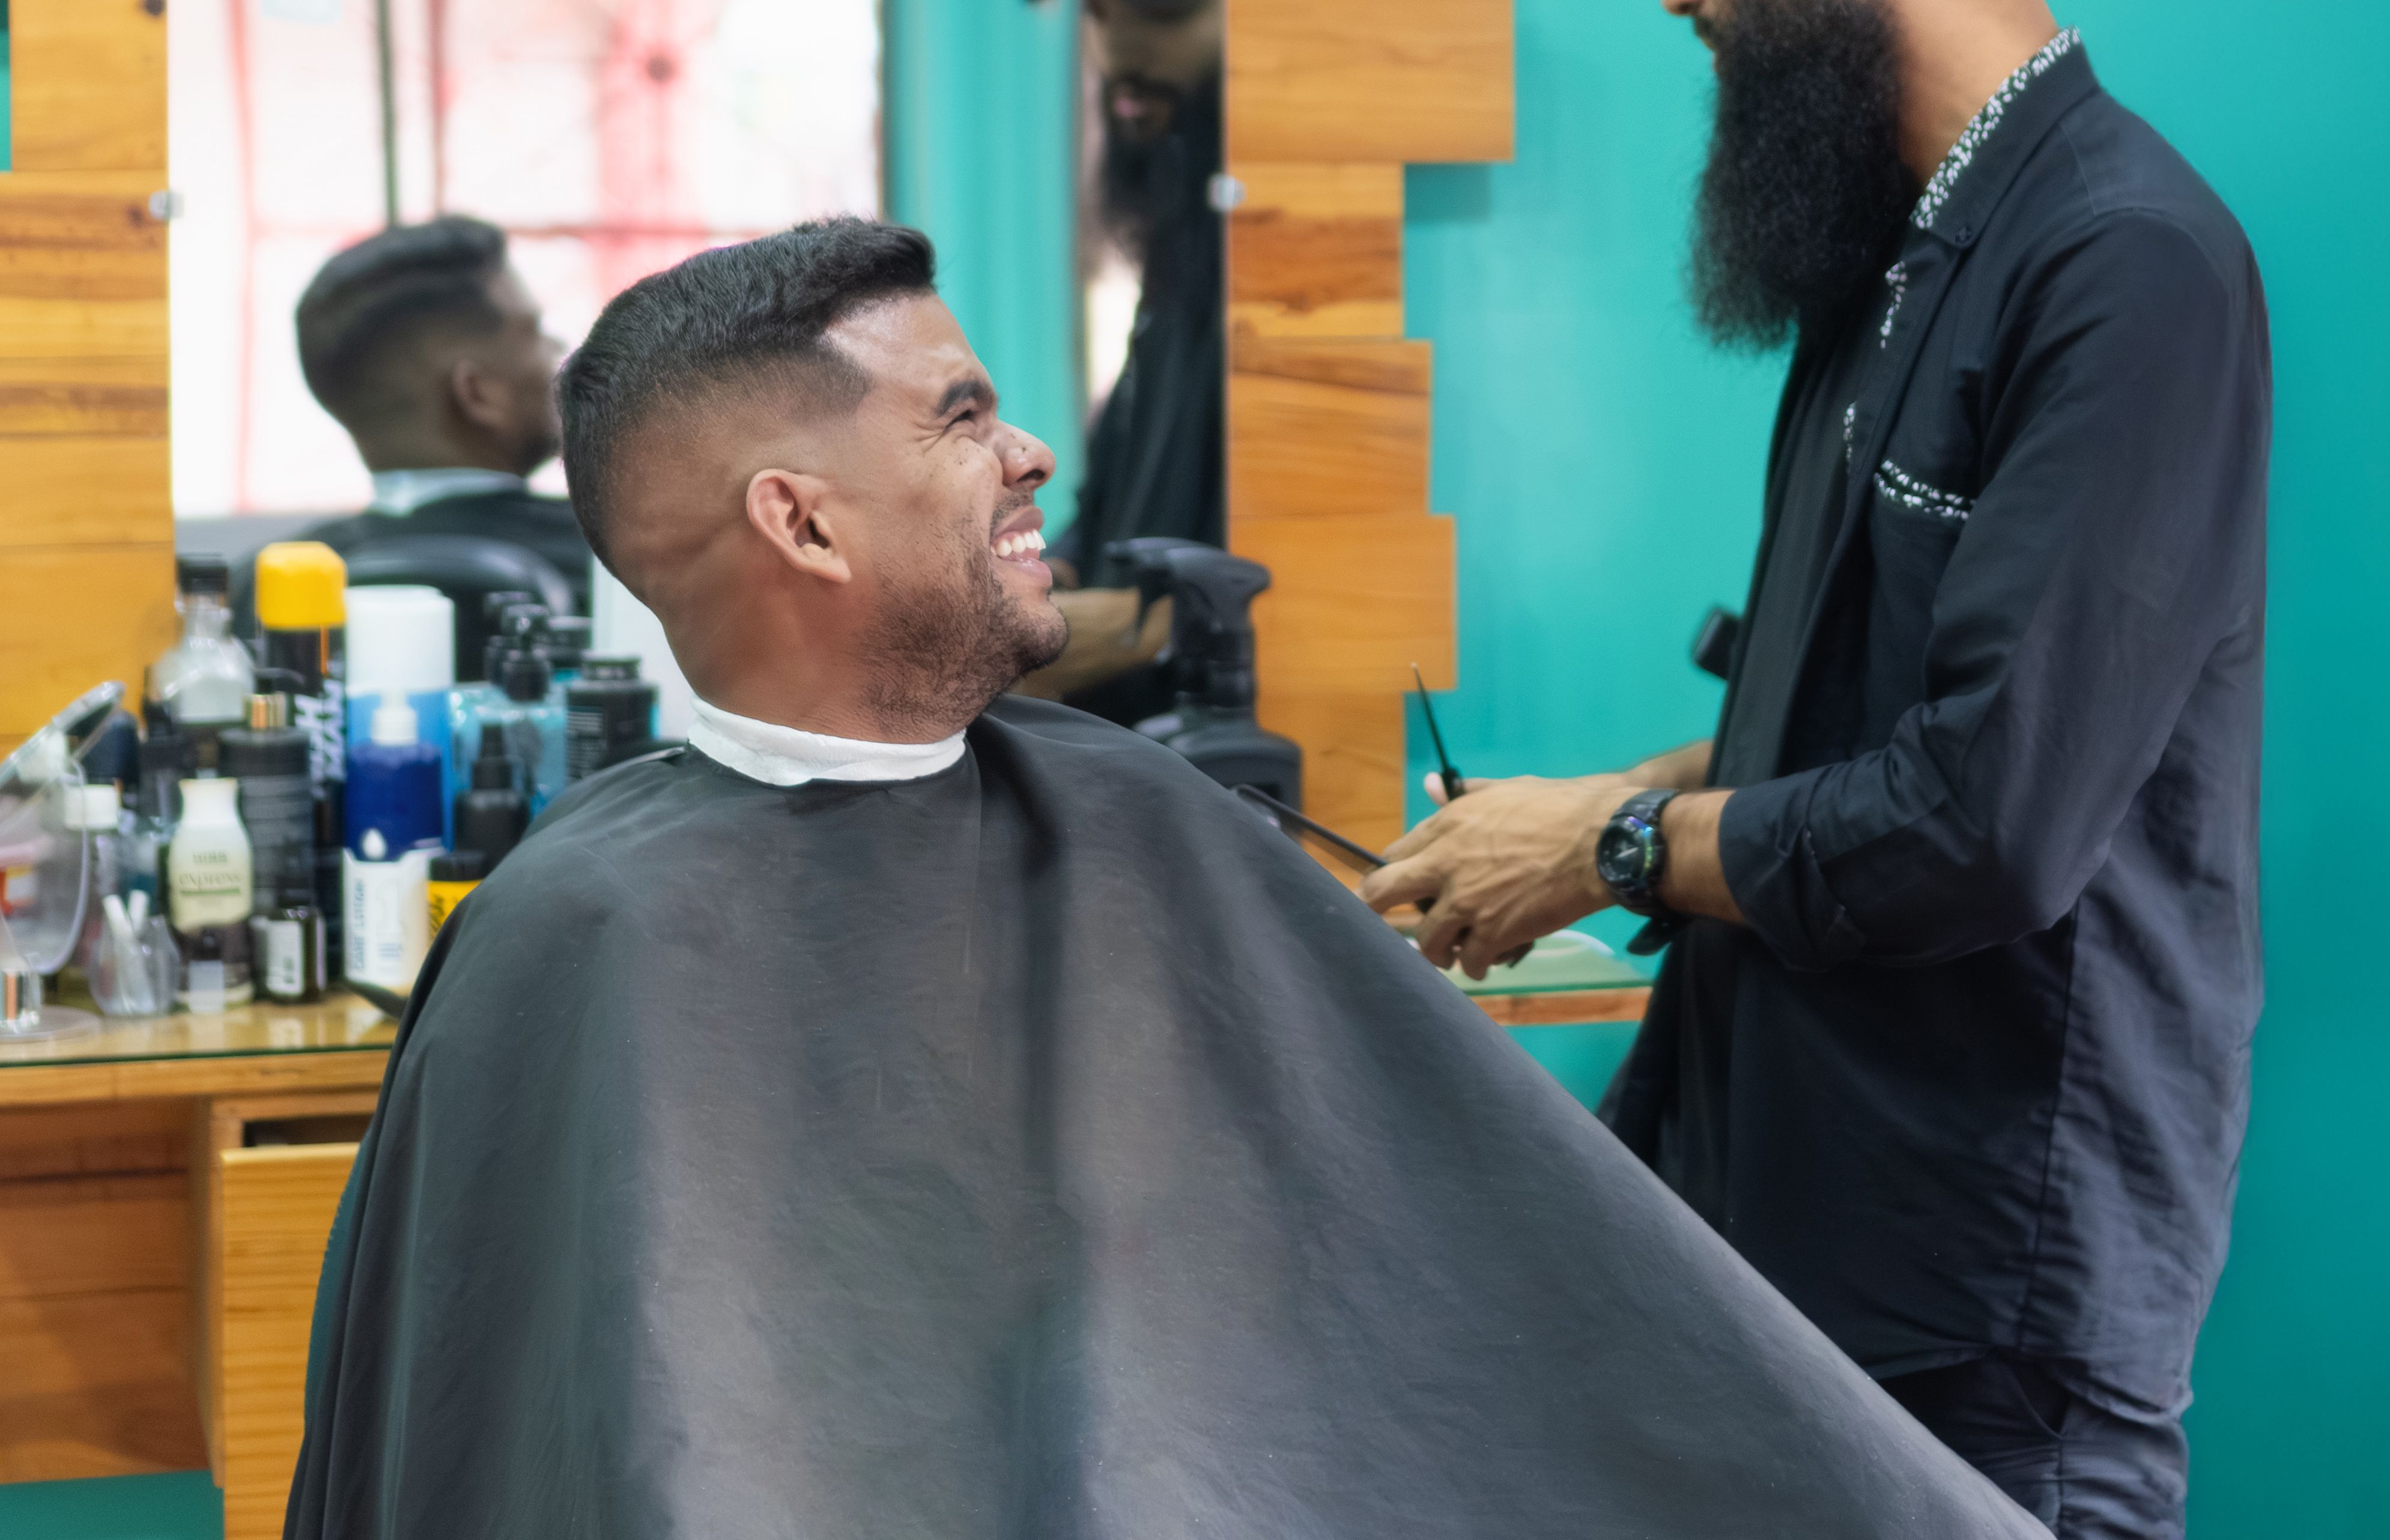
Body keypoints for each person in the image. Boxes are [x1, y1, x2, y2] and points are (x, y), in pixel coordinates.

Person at [285, 217, 2039, 1540]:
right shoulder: (587, 930)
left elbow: (1486, 1312)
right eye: (962, 417)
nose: (1031, 453)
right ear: (801, 521)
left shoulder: (1136, 813)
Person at [1361, 0, 2270, 1539]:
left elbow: (1985, 818)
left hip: (1982, 1322)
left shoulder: (2126, 266)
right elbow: (1855, 724)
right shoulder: (1895, 259)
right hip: (1788, 1256)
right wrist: (1572, 820)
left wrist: (1608, 847)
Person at [1019, 0, 1226, 708]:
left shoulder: (1286, 274)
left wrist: (1136, 629)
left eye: (1163, 15)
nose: (1120, 55)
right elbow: (1116, 505)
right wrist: (1048, 576)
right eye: (1100, 15)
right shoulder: (1182, 249)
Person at [292, 216, 591, 599]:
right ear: (478, 394)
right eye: (534, 332)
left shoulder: (264, 587)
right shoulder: (613, 564)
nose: (557, 348)